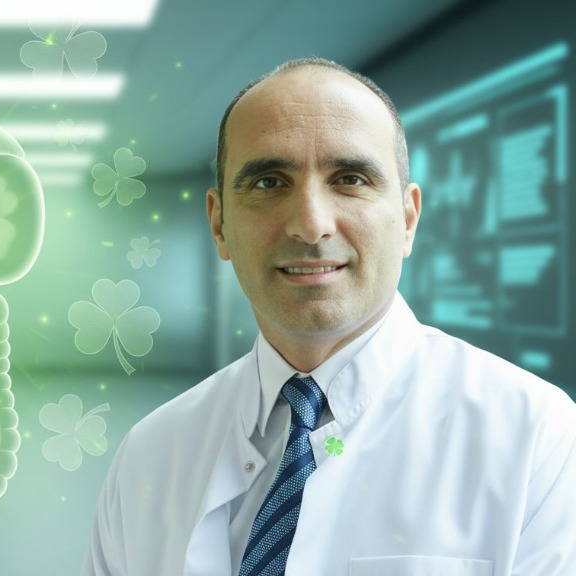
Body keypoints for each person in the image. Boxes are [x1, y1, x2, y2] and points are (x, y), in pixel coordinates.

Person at [81, 57, 576, 576]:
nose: (311, 224)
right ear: (219, 223)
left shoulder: (536, 439)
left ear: (408, 220)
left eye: (350, 179)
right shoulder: (150, 457)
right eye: (269, 182)